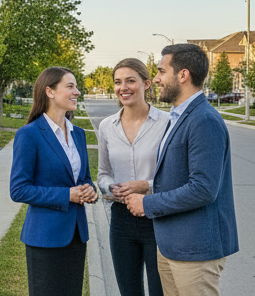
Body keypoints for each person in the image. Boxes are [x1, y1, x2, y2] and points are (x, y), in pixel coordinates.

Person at [125, 43, 238, 296]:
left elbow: (203, 189)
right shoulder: (179, 116)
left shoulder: (204, 120)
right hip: (172, 246)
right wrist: (148, 185)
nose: (156, 79)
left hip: (195, 250)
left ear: (183, 75)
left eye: (161, 71)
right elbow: (179, 174)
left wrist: (148, 203)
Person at [9, 66, 96, 296]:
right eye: (70, 86)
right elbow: (19, 190)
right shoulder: (29, 134)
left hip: (76, 236)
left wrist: (90, 190)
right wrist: (68, 195)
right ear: (49, 91)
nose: (77, 91)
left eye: (76, 87)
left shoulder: (79, 133)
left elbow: (84, 177)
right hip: (44, 238)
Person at [97, 58, 169, 296]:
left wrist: (145, 186)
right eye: (118, 82)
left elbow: (174, 177)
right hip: (121, 220)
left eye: (130, 81)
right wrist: (110, 188)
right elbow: (103, 174)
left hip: (157, 217)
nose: (123, 87)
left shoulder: (167, 123)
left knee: (160, 291)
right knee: (128, 291)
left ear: (147, 84)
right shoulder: (107, 126)